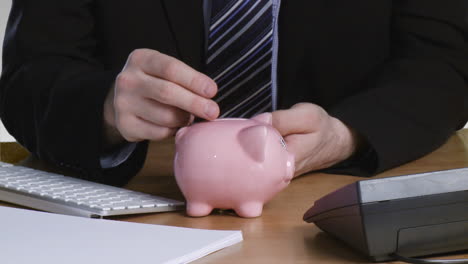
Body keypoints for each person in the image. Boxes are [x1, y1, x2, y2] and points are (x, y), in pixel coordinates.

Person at [0, 0, 467, 186]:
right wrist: (104, 109)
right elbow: (28, 76)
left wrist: (346, 135)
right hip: (144, 210)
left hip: (334, 200)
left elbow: (444, 63)